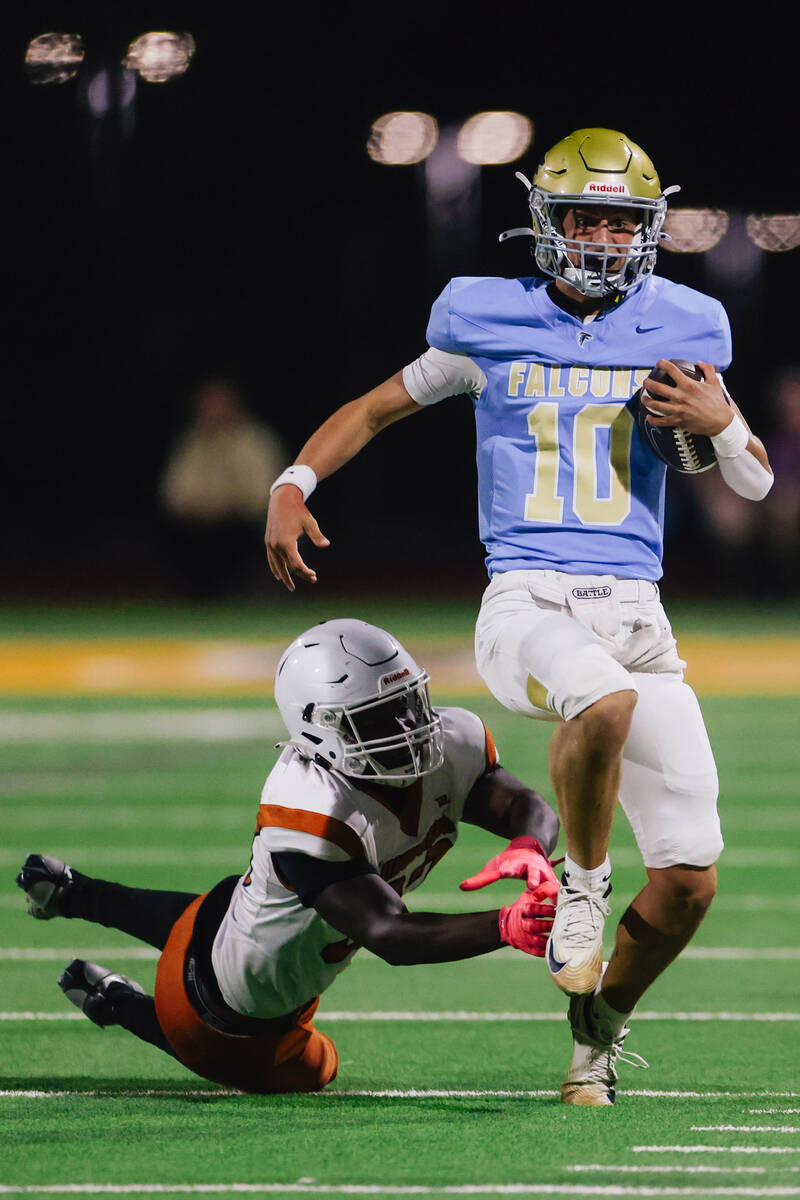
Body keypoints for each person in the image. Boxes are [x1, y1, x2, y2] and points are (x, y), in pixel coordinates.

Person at [264, 128, 775, 1105]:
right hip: (527, 601)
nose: (602, 237)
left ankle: (594, 1037)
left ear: (648, 228)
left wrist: (720, 428)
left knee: (687, 883)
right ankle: (581, 886)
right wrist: (294, 481)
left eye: (620, 221)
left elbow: (751, 484)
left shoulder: (682, 324)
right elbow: (373, 409)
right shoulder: (484, 319)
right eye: (584, 216)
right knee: (603, 702)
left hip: (637, 615)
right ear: (545, 221)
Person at [17, 618, 559, 1095]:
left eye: (408, 704)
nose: (408, 729)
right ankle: (117, 1002)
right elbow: (390, 933)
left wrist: (529, 844)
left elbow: (522, 805)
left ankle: (76, 894)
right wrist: (505, 925)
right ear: (318, 728)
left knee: (219, 921)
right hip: (227, 1008)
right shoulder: (310, 808)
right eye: (378, 719)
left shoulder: (448, 742)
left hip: (234, 919)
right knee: (317, 1068)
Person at [159, 376, 287, 597]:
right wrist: (204, 509)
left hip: (246, 527)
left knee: (249, 536)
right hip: (202, 529)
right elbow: (174, 495)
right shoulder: (192, 442)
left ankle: (253, 595)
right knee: (183, 538)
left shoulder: (255, 441)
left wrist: (228, 506)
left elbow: (265, 495)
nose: (213, 413)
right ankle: (194, 598)